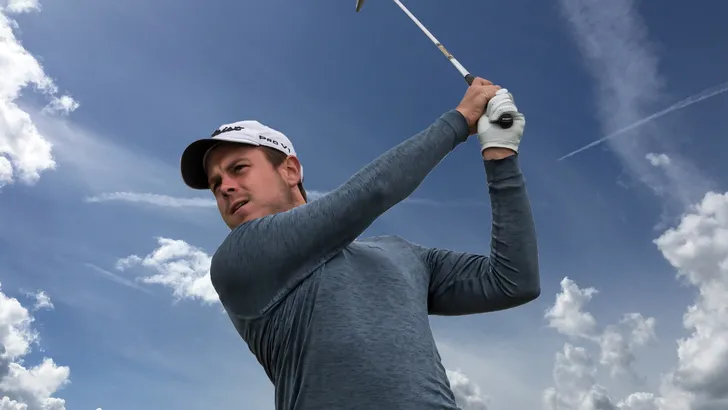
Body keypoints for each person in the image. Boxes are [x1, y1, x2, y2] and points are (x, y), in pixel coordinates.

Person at [179, 77, 540, 410]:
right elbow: (373, 192)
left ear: (290, 170)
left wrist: (500, 153)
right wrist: (460, 120)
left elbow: (513, 281)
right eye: (215, 184)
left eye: (238, 168)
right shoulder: (239, 259)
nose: (224, 188)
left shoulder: (404, 254)